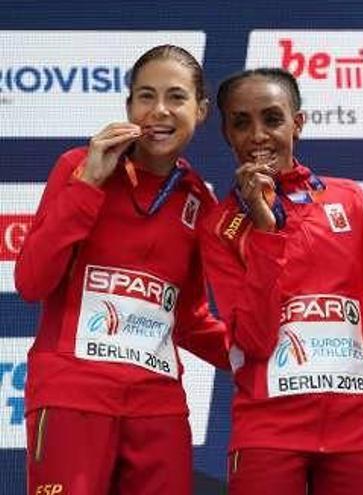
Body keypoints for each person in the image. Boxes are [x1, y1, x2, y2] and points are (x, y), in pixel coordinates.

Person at [14, 44, 228, 494]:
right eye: (145, 96)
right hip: (74, 396)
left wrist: (258, 359)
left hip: (158, 409)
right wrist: (88, 185)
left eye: (176, 97)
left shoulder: (198, 201)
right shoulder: (79, 167)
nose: (160, 111)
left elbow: (188, 320)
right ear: (128, 105)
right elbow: (32, 282)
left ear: (201, 110)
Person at [202, 68, 363, 495]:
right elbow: (253, 339)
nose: (258, 135)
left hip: (355, 430)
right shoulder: (220, 225)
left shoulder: (349, 199)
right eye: (241, 122)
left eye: (272, 118)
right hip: (268, 431)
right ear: (226, 132)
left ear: (297, 123)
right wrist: (265, 230)